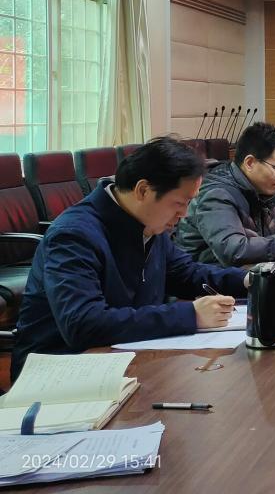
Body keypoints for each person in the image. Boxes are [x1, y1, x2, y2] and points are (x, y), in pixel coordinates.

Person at [11, 138, 246, 381]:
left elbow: (185, 273)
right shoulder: (74, 235)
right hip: (59, 374)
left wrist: (249, 280)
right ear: (143, 190)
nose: (184, 214)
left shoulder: (148, 223)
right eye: (179, 203)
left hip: (125, 360)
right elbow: (83, 323)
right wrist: (190, 315)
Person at [175, 122, 275, 266]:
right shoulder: (217, 194)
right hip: (207, 282)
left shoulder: (255, 186)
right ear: (250, 163)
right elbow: (234, 250)